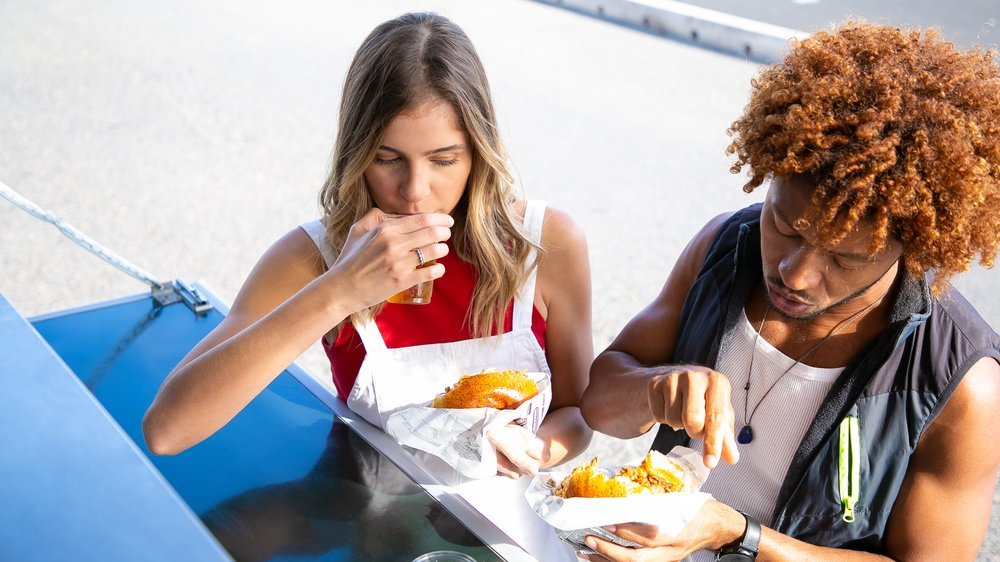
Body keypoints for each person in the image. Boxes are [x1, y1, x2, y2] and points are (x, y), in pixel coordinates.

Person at [581, 21, 1000, 562]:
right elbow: (598, 403)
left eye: (846, 258)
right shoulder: (723, 246)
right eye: (784, 225)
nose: (794, 274)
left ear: (916, 245)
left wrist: (737, 534)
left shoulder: (960, 384)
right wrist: (655, 388)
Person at [142, 12, 593, 482]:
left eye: (443, 159)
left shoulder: (543, 241)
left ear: (479, 152)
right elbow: (167, 430)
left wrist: (527, 446)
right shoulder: (314, 256)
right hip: (361, 524)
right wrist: (339, 290)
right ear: (356, 153)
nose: (415, 190)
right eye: (387, 158)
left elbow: (578, 413)